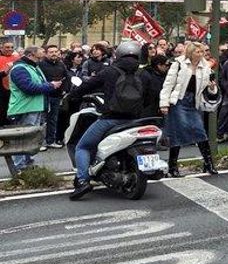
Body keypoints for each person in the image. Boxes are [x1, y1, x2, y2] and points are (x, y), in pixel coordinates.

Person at [67, 41, 150, 200]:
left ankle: (83, 180)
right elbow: (150, 96)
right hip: (136, 120)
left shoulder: (110, 71)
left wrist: (72, 95)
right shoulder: (144, 74)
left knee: (83, 146)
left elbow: (87, 85)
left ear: (117, 54)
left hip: (111, 119)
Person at [160, 42, 218, 177]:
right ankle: (173, 167)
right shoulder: (178, 64)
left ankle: (208, 164)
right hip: (178, 101)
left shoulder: (205, 67)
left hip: (193, 102)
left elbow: (210, 90)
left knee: (200, 131)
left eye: (202, 52)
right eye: (198, 52)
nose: (201, 54)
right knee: (178, 132)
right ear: (191, 53)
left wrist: (212, 87)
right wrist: (164, 103)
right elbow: (168, 84)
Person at [5, 46, 59, 170]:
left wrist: (48, 85)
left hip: (33, 108)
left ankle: (28, 165)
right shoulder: (20, 69)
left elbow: (38, 84)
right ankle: (20, 167)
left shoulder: (33, 67)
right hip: (24, 109)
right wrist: (50, 86)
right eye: (38, 57)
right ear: (30, 56)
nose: (40, 60)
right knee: (22, 141)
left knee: (30, 141)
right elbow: (29, 88)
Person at [38, 45, 69, 148]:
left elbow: (66, 77)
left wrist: (64, 90)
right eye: (51, 52)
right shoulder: (40, 65)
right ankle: (40, 143)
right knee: (41, 120)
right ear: (46, 54)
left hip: (57, 96)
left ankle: (51, 141)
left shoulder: (61, 64)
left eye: (56, 51)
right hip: (44, 96)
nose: (54, 54)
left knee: (53, 119)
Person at [137, 54, 171, 119]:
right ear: (159, 65)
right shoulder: (147, 76)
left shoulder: (162, 75)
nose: (168, 67)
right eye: (166, 65)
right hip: (148, 111)